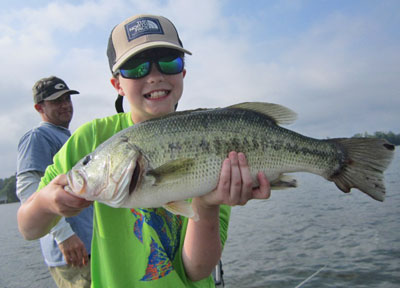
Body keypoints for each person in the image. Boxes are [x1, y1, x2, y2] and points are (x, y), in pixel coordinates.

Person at [17, 15, 271, 287]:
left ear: (183, 72)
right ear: (117, 84)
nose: (154, 76)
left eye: (168, 62)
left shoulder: (214, 137)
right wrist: (46, 202)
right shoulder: (89, 139)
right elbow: (28, 228)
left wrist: (206, 205)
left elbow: (197, 270)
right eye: (136, 67)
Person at [16, 76, 93, 288]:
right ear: (39, 107)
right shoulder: (37, 137)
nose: (66, 105)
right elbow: (28, 191)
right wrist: (64, 236)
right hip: (73, 254)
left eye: (67, 98)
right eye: (57, 101)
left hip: (91, 247)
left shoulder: (67, 137)